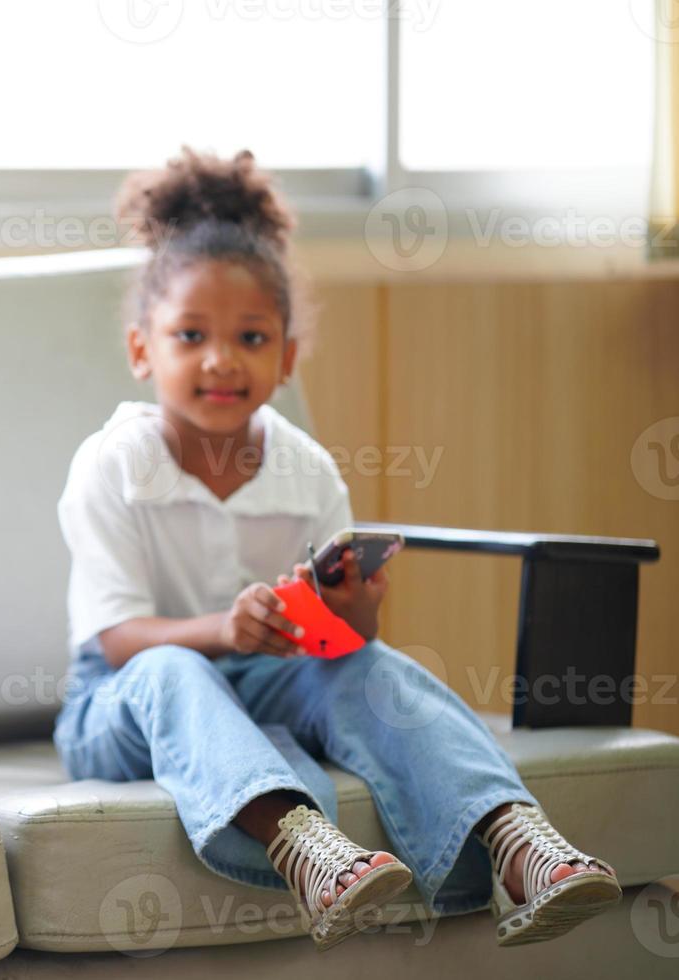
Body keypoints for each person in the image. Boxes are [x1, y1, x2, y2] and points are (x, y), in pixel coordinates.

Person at [52, 147, 620, 951]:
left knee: (377, 667)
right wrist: (224, 628)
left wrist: (354, 617)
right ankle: (306, 847)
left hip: (269, 680)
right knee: (171, 668)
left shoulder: (305, 468)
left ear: (285, 359)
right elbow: (115, 640)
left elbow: (338, 654)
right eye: (190, 335)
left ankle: (520, 843)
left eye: (250, 337)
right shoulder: (113, 463)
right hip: (122, 702)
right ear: (145, 349)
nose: (221, 359)